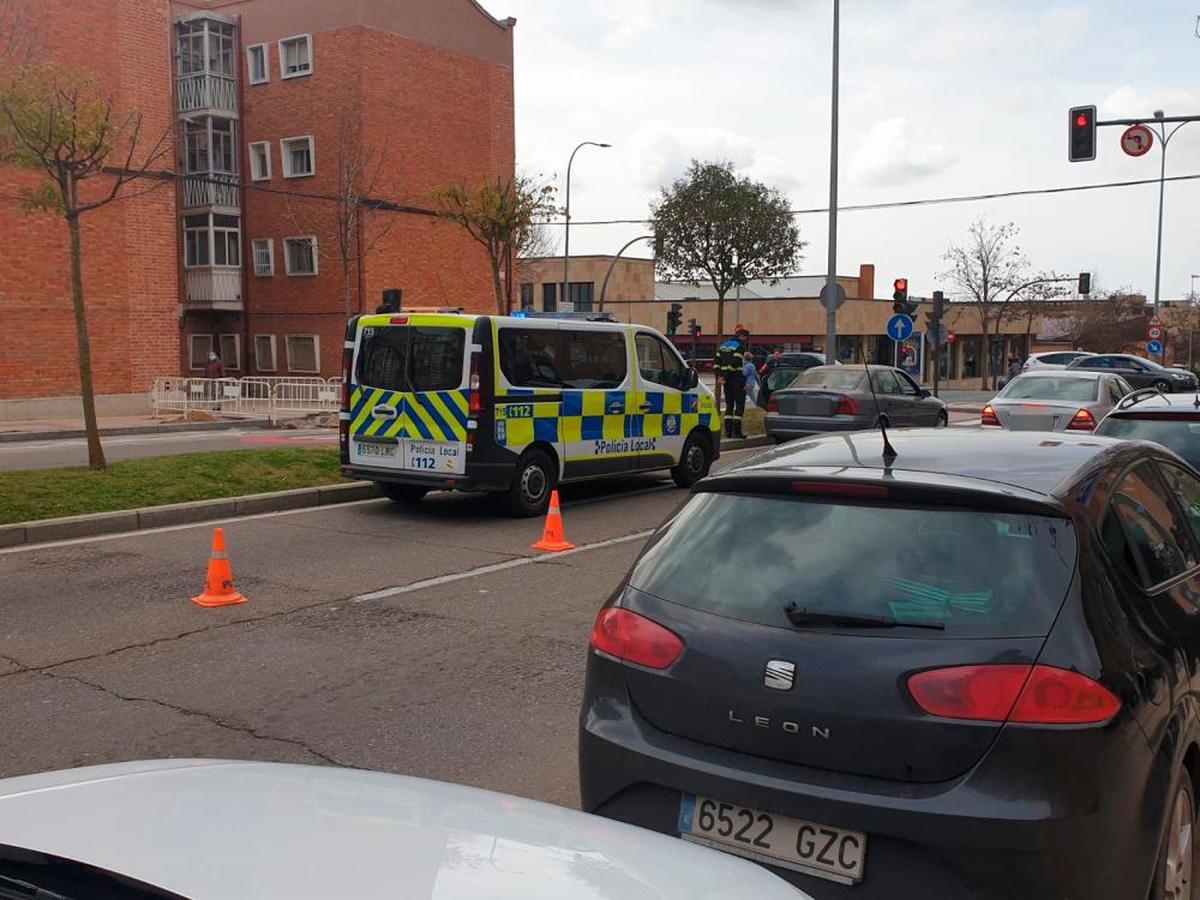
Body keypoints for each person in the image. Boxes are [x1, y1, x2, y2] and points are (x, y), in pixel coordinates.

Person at [714, 325, 750, 438]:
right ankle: (737, 432)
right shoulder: (740, 346)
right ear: (742, 336)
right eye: (746, 338)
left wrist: (719, 377)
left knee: (729, 405)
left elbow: (716, 362)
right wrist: (725, 375)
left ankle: (728, 432)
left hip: (726, 382)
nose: (746, 340)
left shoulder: (723, 345)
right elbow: (735, 362)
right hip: (736, 379)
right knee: (739, 405)